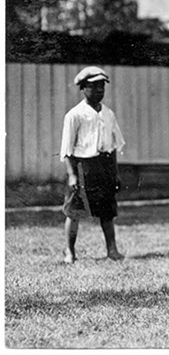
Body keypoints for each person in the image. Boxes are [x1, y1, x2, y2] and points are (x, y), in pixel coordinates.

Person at [60, 66, 126, 263]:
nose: (99, 91)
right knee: (75, 211)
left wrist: (114, 172)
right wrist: (72, 175)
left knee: (107, 210)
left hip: (104, 166)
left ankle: (112, 250)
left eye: (102, 87)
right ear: (83, 88)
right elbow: (67, 149)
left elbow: (113, 146)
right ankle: (70, 251)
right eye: (93, 86)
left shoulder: (108, 114)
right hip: (82, 166)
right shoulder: (75, 114)